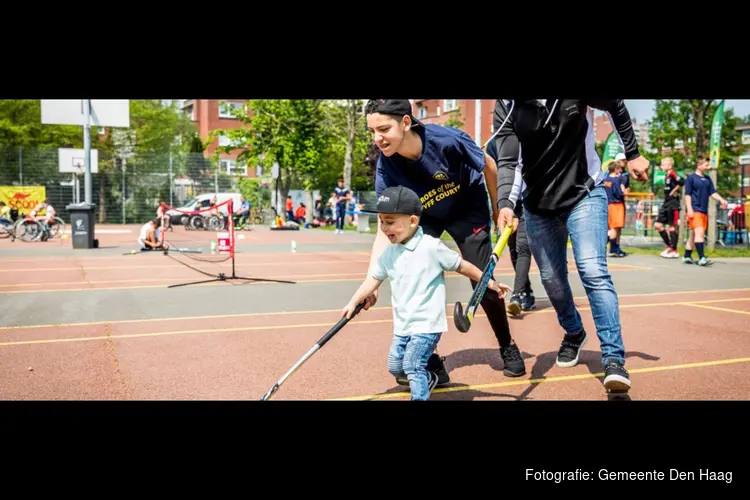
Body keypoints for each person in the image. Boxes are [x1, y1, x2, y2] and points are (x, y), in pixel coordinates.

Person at [492, 99, 650, 394]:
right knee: (552, 280)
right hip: (538, 204)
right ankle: (574, 332)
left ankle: (613, 359)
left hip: (584, 194)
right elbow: (509, 160)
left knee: (593, 270)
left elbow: (614, 105)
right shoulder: (508, 104)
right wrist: (505, 203)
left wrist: (633, 153)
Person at [363, 99, 527, 383]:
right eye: (372, 131)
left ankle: (507, 345)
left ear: (405, 122)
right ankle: (431, 358)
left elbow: (488, 165)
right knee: (416, 276)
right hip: (425, 216)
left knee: (482, 277)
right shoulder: (386, 168)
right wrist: (371, 283)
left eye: (384, 129)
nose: (378, 138)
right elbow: (384, 229)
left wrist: (498, 207)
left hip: (467, 206)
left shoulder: (447, 140)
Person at [341, 186, 512, 400]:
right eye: (382, 221)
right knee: (396, 366)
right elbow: (372, 280)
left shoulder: (431, 247)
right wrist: (353, 301)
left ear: (413, 221)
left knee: (412, 365)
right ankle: (429, 378)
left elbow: (462, 266)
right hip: (403, 325)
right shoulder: (389, 254)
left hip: (427, 324)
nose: (384, 228)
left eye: (390, 221)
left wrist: (490, 283)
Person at [485, 133, 535, 316]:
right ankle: (527, 292)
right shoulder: (494, 144)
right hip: (507, 204)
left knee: (523, 247)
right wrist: (498, 207)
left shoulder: (530, 136)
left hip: (528, 201)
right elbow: (494, 176)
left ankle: (518, 294)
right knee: (513, 249)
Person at [683, 155, 729, 266]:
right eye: (706, 165)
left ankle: (686, 256)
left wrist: (722, 200)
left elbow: (712, 192)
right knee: (700, 233)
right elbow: (687, 195)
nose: (708, 167)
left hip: (703, 210)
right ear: (699, 165)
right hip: (695, 209)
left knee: (694, 235)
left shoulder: (707, 179)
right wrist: (689, 209)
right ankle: (702, 258)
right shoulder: (691, 178)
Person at [654, 157, 684, 258]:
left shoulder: (673, 173)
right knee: (658, 225)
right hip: (666, 203)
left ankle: (674, 250)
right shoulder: (666, 175)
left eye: (663, 164)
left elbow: (681, 181)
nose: (661, 166)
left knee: (672, 226)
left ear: (669, 166)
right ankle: (668, 246)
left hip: (673, 203)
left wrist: (673, 191)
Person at [602, 158, 628, 257]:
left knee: (610, 226)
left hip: (608, 204)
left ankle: (612, 247)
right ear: (616, 169)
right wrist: (623, 191)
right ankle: (613, 249)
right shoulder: (616, 180)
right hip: (616, 205)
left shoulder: (606, 180)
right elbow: (618, 193)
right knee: (614, 228)